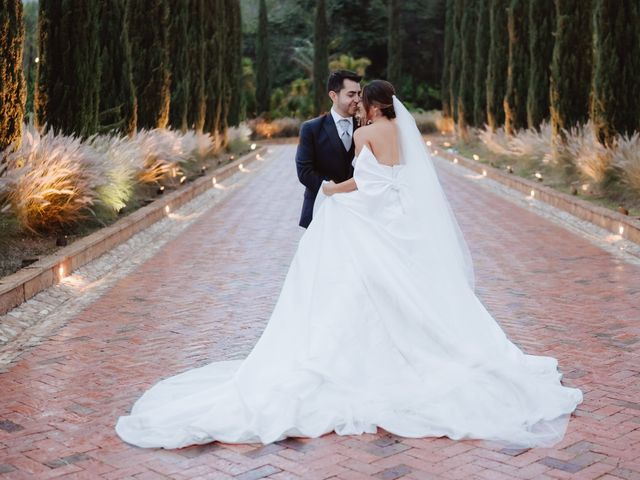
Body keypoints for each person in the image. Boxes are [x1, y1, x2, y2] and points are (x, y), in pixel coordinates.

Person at [115, 80, 582, 450]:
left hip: (368, 216)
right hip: (400, 223)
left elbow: (364, 183)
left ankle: (347, 355)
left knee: (352, 280)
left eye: (362, 98)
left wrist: (332, 193)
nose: (357, 103)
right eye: (351, 95)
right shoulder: (402, 133)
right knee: (407, 291)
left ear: (371, 105)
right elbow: (394, 183)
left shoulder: (363, 133)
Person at [295, 70, 362, 228]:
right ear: (333, 95)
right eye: (351, 94)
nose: (357, 100)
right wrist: (334, 190)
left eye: (359, 94)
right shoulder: (311, 129)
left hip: (359, 210)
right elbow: (304, 172)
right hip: (322, 208)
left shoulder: (366, 126)